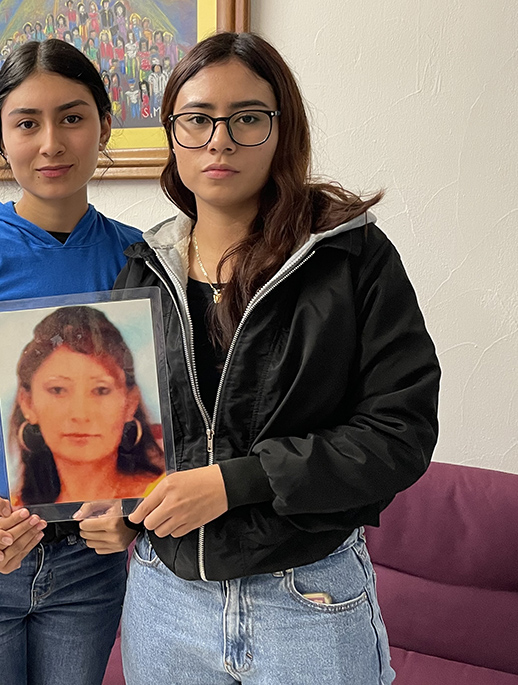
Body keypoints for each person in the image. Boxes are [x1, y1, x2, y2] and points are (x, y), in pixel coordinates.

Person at [114, 32, 441, 684]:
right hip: (163, 595)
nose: (220, 138)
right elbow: (128, 437)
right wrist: (115, 513)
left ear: (280, 128)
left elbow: (399, 433)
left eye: (248, 118)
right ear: (173, 132)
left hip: (305, 597)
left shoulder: (350, 258)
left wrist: (236, 481)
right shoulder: (143, 269)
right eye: (198, 118)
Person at [0, 39, 141, 685]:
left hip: (89, 564)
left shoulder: (140, 256)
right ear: (1, 137)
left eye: (71, 117)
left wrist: (130, 513)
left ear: (103, 125)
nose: (51, 144)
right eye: (26, 122)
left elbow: (151, 412)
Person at [8, 306, 164, 507]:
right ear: (27, 403)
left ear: (130, 403)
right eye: (58, 390)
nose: (80, 414)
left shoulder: (165, 496)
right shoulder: (14, 510)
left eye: (100, 390)